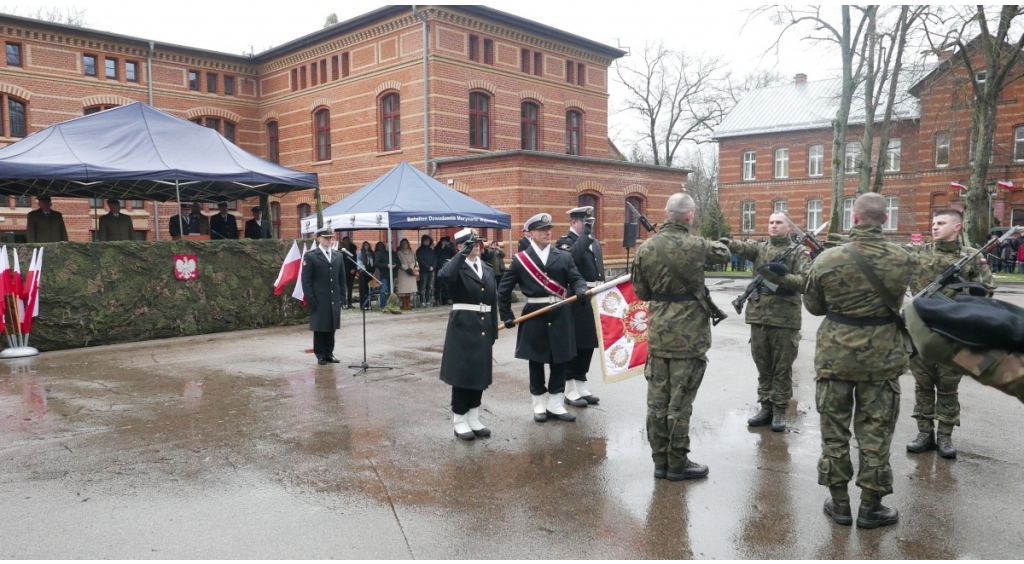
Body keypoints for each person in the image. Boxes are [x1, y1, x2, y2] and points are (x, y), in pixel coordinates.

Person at [803, 192, 917, 529]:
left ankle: (839, 505)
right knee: (876, 433)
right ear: (884, 220)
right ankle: (871, 508)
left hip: (836, 356)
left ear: (854, 218)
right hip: (881, 358)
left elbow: (813, 306)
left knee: (834, 431)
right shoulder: (902, 258)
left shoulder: (827, 259)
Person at [631, 193, 730, 481]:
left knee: (657, 403)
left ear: (666, 213)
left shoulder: (646, 249)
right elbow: (723, 254)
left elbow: (641, 292)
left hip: (660, 335)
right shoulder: (698, 245)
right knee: (680, 403)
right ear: (689, 216)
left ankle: (659, 462)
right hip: (689, 338)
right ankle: (677, 464)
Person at [905, 209, 996, 459]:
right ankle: (924, 432)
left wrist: (961, 295)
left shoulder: (970, 257)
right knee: (922, 385)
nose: (934, 227)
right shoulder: (918, 253)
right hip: (923, 330)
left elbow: (987, 289)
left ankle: (945, 435)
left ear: (957, 227)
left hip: (954, 332)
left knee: (948, 386)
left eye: (941, 223)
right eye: (933, 223)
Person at [720, 212, 808, 432]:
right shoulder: (761, 249)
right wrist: (727, 243)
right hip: (759, 315)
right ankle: (765, 407)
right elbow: (741, 248)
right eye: (771, 222)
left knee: (782, 367)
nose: (774, 226)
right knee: (763, 365)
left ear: (788, 227)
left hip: (785, 317)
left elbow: (804, 282)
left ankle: (779, 409)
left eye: (778, 223)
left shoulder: (798, 252)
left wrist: (780, 278)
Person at [498, 212, 588, 423]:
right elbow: (503, 290)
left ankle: (555, 404)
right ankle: (538, 404)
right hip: (534, 316)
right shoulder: (521, 260)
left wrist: (581, 289)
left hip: (560, 313)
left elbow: (576, 279)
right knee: (536, 361)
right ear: (531, 233)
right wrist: (507, 315)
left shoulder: (563, 256)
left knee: (560, 360)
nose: (548, 232)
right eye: (542, 230)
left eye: (549, 229)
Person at [905, 296, 1024, 404]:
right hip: (949, 325)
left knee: (945, 390)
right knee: (925, 387)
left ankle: (942, 427)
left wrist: (958, 353)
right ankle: (926, 428)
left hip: (958, 329)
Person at [437, 228, 498, 440]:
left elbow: (493, 301)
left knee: (479, 374)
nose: (477, 246)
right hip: (463, 326)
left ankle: (474, 416)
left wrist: (493, 330)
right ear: (460, 247)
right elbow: (444, 276)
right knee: (462, 375)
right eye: (471, 243)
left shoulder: (487, 269)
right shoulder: (455, 267)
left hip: (483, 326)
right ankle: (460, 419)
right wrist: (462, 254)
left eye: (478, 242)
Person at [555, 206, 604, 408]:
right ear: (574, 222)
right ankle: (569, 387)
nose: (588, 227)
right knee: (574, 344)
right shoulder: (565, 243)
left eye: (590, 223)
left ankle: (581, 382)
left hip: (593, 296)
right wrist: (584, 235)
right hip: (576, 297)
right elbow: (570, 259)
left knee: (589, 342)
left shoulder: (594, 242)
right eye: (585, 223)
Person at [300, 228, 347, 365]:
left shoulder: (338, 256)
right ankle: (320, 354)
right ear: (318, 239)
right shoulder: (312, 256)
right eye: (326, 238)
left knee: (331, 327)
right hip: (319, 298)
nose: (329, 240)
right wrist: (310, 298)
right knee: (320, 327)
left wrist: (342, 296)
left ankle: (329, 353)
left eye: (330, 238)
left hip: (334, 298)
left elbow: (341, 279)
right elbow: (306, 280)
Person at [395, 238, 418, 310]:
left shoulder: (411, 252)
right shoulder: (399, 253)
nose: (405, 245)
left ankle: (408, 303)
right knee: (403, 290)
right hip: (403, 272)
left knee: (409, 290)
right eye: (403, 243)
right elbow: (399, 262)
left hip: (410, 272)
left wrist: (410, 268)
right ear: (401, 245)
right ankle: (404, 304)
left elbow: (413, 261)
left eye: (406, 243)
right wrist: (406, 268)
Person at [433, 236, 455, 306]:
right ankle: (437, 299)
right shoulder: (437, 249)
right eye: (444, 242)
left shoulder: (448, 248)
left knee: (447, 284)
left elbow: (454, 254)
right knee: (438, 285)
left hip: (447, 267)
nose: (445, 243)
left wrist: (452, 247)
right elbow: (437, 255)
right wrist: (442, 247)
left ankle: (448, 299)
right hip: (439, 268)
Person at [416, 234, 437, 307]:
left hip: (431, 271)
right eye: (426, 241)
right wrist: (428, 267)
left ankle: (428, 300)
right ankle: (422, 301)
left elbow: (435, 259)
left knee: (429, 287)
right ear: (423, 241)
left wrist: (433, 267)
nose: (427, 242)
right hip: (424, 271)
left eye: (428, 241)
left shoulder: (431, 250)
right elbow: (420, 261)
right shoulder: (419, 250)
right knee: (422, 287)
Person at [374, 241, 394, 308]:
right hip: (384, 275)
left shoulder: (394, 254)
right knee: (383, 290)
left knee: (391, 290)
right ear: (386, 246)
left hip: (392, 275)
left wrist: (395, 265)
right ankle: (383, 305)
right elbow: (377, 263)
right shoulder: (380, 254)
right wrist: (386, 265)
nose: (389, 248)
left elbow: (398, 263)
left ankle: (391, 304)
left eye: (391, 247)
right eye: (388, 246)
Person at [357, 241, 376, 310]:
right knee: (363, 290)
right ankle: (363, 304)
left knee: (369, 290)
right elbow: (359, 265)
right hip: (363, 274)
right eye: (365, 245)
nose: (366, 247)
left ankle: (368, 304)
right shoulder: (360, 253)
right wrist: (365, 272)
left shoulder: (371, 253)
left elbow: (373, 264)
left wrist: (372, 272)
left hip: (370, 274)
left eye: (367, 245)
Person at [340, 236, 358, 309]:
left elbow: (355, 260)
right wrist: (348, 270)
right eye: (346, 240)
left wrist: (354, 269)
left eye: (348, 240)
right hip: (345, 271)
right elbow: (342, 262)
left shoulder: (352, 249)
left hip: (352, 271)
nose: (347, 241)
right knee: (344, 288)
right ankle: (343, 303)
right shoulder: (341, 251)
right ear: (343, 241)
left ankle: (349, 302)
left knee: (350, 288)